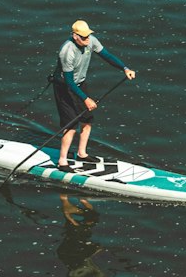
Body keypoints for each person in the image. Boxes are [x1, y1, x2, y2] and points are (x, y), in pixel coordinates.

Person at [53, 20, 135, 169]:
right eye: (83, 37)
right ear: (74, 36)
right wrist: (86, 99)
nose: (87, 39)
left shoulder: (91, 41)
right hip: (64, 87)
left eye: (88, 36)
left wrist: (125, 68)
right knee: (71, 124)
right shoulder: (67, 51)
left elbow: (107, 56)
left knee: (87, 119)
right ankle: (62, 161)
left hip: (80, 84)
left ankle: (82, 154)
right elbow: (69, 82)